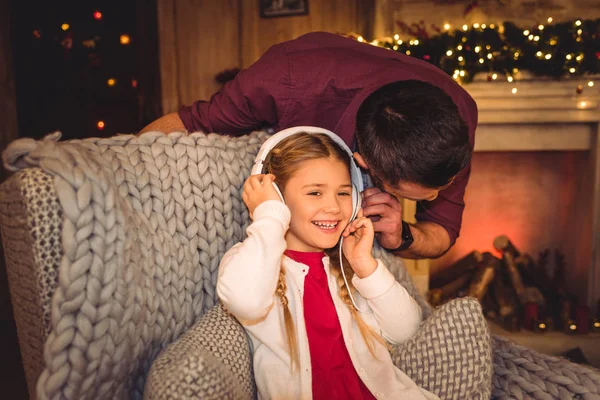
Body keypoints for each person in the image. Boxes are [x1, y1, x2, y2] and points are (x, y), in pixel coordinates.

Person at [141, 31, 477, 259]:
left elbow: (443, 230)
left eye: (439, 186)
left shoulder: (458, 114)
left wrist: (402, 234)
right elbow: (189, 123)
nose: (436, 197)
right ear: (364, 163)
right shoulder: (284, 78)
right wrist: (121, 171)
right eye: (407, 194)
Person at [217, 129, 438, 399]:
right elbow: (246, 301)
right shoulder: (254, 262)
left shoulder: (348, 268)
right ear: (275, 196)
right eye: (315, 193)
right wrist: (269, 216)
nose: (333, 207)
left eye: (343, 193)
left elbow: (406, 330)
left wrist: (364, 264)